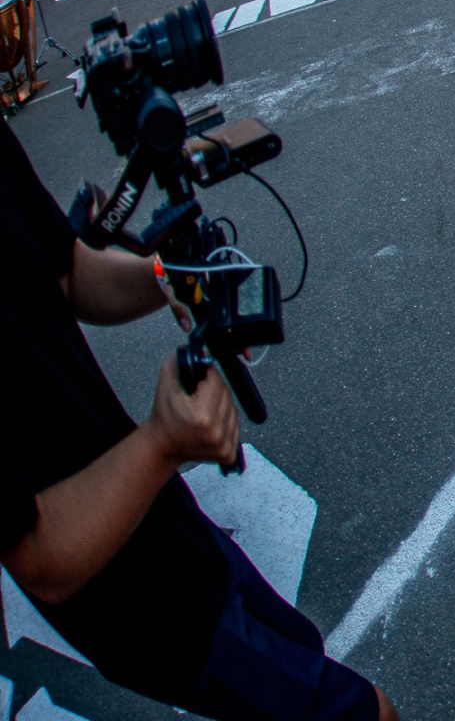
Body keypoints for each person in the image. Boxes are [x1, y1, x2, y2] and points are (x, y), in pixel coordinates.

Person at [0, 121, 403, 721]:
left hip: (165, 522)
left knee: (301, 645)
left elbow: (65, 274)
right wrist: (161, 442)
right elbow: (41, 559)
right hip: (136, 604)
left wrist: (172, 277)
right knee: (367, 711)